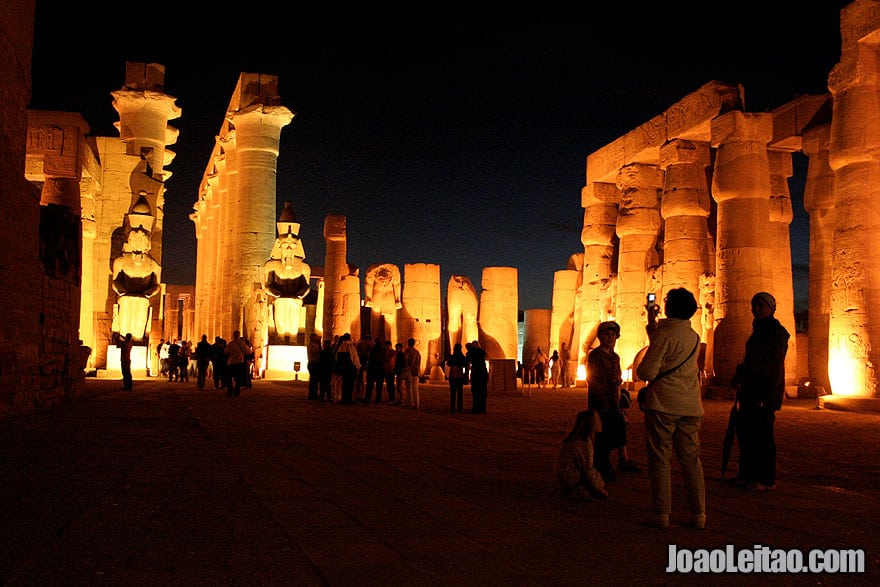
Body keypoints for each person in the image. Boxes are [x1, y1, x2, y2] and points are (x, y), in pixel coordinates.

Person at [636, 287, 705, 529]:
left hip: (664, 403)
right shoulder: (694, 336)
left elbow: (647, 371)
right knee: (691, 461)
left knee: (660, 460)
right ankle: (699, 515)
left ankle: (662, 514)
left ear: (669, 307)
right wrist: (651, 320)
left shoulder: (666, 335)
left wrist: (643, 370)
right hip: (690, 405)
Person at [729, 291, 790, 492]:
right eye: (754, 305)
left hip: (764, 392)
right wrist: (739, 377)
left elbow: (773, 366)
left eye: (761, 305)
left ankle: (765, 478)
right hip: (750, 389)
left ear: (771, 308)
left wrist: (767, 395)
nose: (756, 309)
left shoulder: (775, 332)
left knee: (763, 436)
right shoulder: (759, 330)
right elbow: (751, 360)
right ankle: (747, 474)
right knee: (746, 433)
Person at [587, 321, 635, 481]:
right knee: (603, 435)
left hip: (615, 400)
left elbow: (618, 375)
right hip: (601, 400)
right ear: (600, 336)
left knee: (619, 430)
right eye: (607, 335)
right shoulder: (596, 355)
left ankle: (623, 460)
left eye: (613, 335)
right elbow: (594, 378)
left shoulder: (615, 356)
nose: (610, 338)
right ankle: (603, 467)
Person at [554, 410, 608, 502]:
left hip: (564, 475)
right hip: (570, 477)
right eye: (598, 420)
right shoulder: (584, 443)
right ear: (592, 425)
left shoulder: (576, 438)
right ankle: (578, 490)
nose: (601, 422)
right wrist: (598, 488)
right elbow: (588, 469)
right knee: (597, 480)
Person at [224, 330, 252, 398]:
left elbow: (225, 352)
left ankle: (230, 391)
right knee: (238, 379)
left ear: (233, 336)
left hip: (231, 363)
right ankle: (237, 392)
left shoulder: (231, 344)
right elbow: (249, 352)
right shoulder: (242, 344)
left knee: (229, 378)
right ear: (239, 335)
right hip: (239, 363)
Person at [334, 333, 360, 405]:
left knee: (344, 384)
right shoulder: (350, 346)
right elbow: (354, 358)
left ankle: (344, 398)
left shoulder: (340, 346)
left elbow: (336, 358)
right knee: (350, 385)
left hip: (344, 368)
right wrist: (357, 366)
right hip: (351, 368)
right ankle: (348, 399)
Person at [466, 341, 488, 414]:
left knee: (476, 391)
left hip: (476, 372)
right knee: (483, 391)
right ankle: (482, 408)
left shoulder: (471, 353)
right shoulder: (482, 352)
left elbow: (467, 362)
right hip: (483, 372)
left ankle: (476, 408)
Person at [364, 336, 387, 403]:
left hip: (373, 369)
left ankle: (368, 398)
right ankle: (378, 399)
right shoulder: (383, 349)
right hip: (380, 369)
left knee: (370, 385)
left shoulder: (373, 349)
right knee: (379, 385)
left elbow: (370, 358)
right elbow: (384, 359)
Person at [447, 343, 469, 413]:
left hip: (452, 375)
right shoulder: (462, 357)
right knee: (460, 392)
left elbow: (448, 364)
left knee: (453, 392)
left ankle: (452, 408)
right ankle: (459, 408)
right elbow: (466, 365)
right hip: (459, 376)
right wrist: (466, 375)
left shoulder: (452, 356)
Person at [402, 337, 421, 410]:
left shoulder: (407, 351)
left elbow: (405, 361)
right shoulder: (417, 352)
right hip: (416, 372)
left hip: (409, 371)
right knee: (416, 389)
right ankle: (417, 404)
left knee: (409, 388)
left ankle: (411, 404)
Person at [306, 333, 322, 400]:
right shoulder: (312, 345)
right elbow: (318, 351)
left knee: (314, 380)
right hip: (313, 363)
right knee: (313, 380)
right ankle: (312, 395)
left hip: (313, 364)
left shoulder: (312, 345)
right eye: (315, 338)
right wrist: (319, 344)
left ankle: (313, 394)